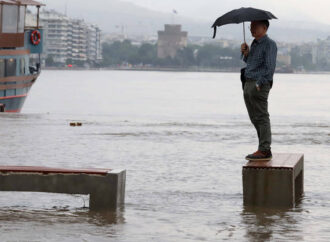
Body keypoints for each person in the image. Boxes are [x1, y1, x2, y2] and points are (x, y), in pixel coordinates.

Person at [240, 20, 277, 161]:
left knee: (261, 116)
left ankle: (265, 150)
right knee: (254, 117)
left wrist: (259, 84)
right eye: (251, 26)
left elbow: (269, 67)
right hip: (248, 82)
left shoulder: (269, 44)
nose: (252, 29)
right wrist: (246, 53)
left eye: (255, 26)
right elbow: (251, 63)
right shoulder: (254, 44)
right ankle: (262, 148)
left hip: (258, 85)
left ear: (265, 28)